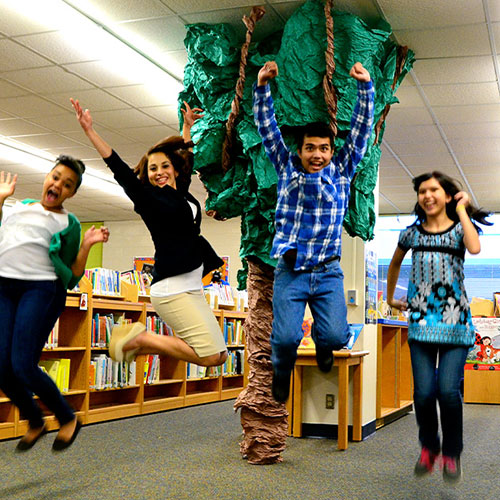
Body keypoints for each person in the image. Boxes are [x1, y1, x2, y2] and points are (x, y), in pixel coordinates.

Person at [71, 99, 228, 369]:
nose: (159, 173)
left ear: (175, 169)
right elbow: (119, 169)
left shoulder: (182, 194)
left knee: (221, 355)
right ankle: (144, 338)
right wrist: (90, 131)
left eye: (165, 166)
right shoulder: (149, 200)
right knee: (210, 356)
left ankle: (139, 344)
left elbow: (187, 159)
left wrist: (187, 127)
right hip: (172, 288)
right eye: (153, 169)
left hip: (191, 287)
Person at [253, 61, 374, 403]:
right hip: (291, 270)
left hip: (328, 272)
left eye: (323, 148)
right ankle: (281, 370)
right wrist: (262, 87)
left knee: (336, 335)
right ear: (301, 150)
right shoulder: (286, 168)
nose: (317, 155)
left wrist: (366, 89)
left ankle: (325, 346)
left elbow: (362, 133)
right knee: (286, 338)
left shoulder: (342, 172)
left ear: (331, 152)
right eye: (310, 148)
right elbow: (267, 130)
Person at [386, 171, 492, 483]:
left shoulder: (460, 230)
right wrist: (392, 298)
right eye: (422, 191)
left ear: (447, 195)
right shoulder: (411, 234)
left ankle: (452, 452)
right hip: (420, 324)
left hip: (455, 324)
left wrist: (462, 208)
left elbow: (474, 248)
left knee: (447, 391)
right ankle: (429, 448)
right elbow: (393, 265)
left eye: (434, 190)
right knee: (422, 393)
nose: (427, 195)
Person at [0, 158, 110, 452]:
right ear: (46, 177)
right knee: (1, 367)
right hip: (4, 288)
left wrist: (86, 245)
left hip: (40, 289)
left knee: (22, 364)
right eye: (56, 177)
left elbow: (73, 275)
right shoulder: (18, 207)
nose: (58, 185)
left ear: (71, 194)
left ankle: (67, 417)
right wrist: (1, 200)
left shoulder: (67, 223)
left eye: (67, 184)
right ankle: (35, 419)